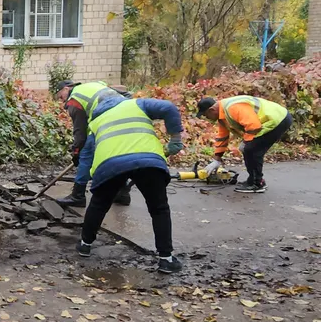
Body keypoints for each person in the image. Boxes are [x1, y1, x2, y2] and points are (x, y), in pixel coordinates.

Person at [76, 93, 185, 274]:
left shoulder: (95, 122)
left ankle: (84, 245)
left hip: (110, 165)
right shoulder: (137, 104)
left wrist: (82, 182)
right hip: (148, 161)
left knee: (99, 204)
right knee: (159, 208)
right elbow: (168, 108)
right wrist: (175, 139)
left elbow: (87, 156)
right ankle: (166, 259)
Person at [54, 80, 134, 208]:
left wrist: (76, 152)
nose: (61, 100)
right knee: (117, 155)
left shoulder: (75, 100)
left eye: (60, 95)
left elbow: (80, 132)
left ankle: (78, 196)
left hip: (107, 120)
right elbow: (127, 94)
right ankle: (122, 193)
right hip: (127, 117)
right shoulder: (95, 85)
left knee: (86, 154)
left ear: (66, 89)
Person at [196, 96, 292, 193]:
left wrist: (246, 143)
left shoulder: (232, 108)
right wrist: (217, 159)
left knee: (251, 149)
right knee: (249, 148)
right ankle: (253, 181)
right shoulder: (222, 116)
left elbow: (253, 126)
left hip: (277, 119)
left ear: (211, 110)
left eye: (206, 115)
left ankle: (257, 183)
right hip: (272, 120)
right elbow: (222, 138)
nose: (207, 118)